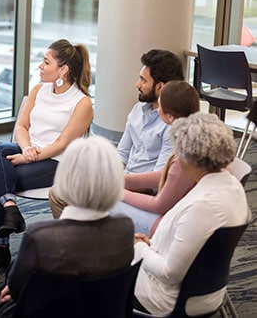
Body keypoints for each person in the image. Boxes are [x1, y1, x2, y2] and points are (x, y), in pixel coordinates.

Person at [0, 39, 93, 273]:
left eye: (46, 62)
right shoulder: (38, 90)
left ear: (63, 70)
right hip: (32, 149)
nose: (40, 66)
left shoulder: (82, 103)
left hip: (58, 162)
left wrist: (30, 158)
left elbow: (64, 142)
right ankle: (10, 206)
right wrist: (26, 149)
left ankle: (0, 249)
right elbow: (22, 127)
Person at [0, 136, 134, 317]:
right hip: (100, 310)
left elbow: (16, 289)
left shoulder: (41, 236)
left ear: (64, 179)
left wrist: (12, 289)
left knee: (1, 294)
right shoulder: (125, 227)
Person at [133, 112, 252, 316]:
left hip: (167, 300)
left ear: (189, 159)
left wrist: (141, 248)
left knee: (100, 276)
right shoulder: (232, 186)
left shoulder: (202, 206)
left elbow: (170, 273)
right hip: (208, 290)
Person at [49, 81, 200, 236]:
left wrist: (119, 191)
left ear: (170, 116)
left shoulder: (183, 157)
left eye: (160, 107)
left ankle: (77, 245)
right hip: (170, 216)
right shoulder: (192, 140)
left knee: (91, 201)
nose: (157, 110)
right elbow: (163, 176)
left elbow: (160, 204)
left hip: (165, 225)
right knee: (84, 196)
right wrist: (119, 179)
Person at [117, 49, 184, 174]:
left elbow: (159, 177)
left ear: (160, 87)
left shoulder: (173, 125)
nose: (138, 85)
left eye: (143, 80)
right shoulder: (138, 109)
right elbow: (122, 153)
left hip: (145, 188)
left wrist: (123, 183)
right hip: (126, 180)